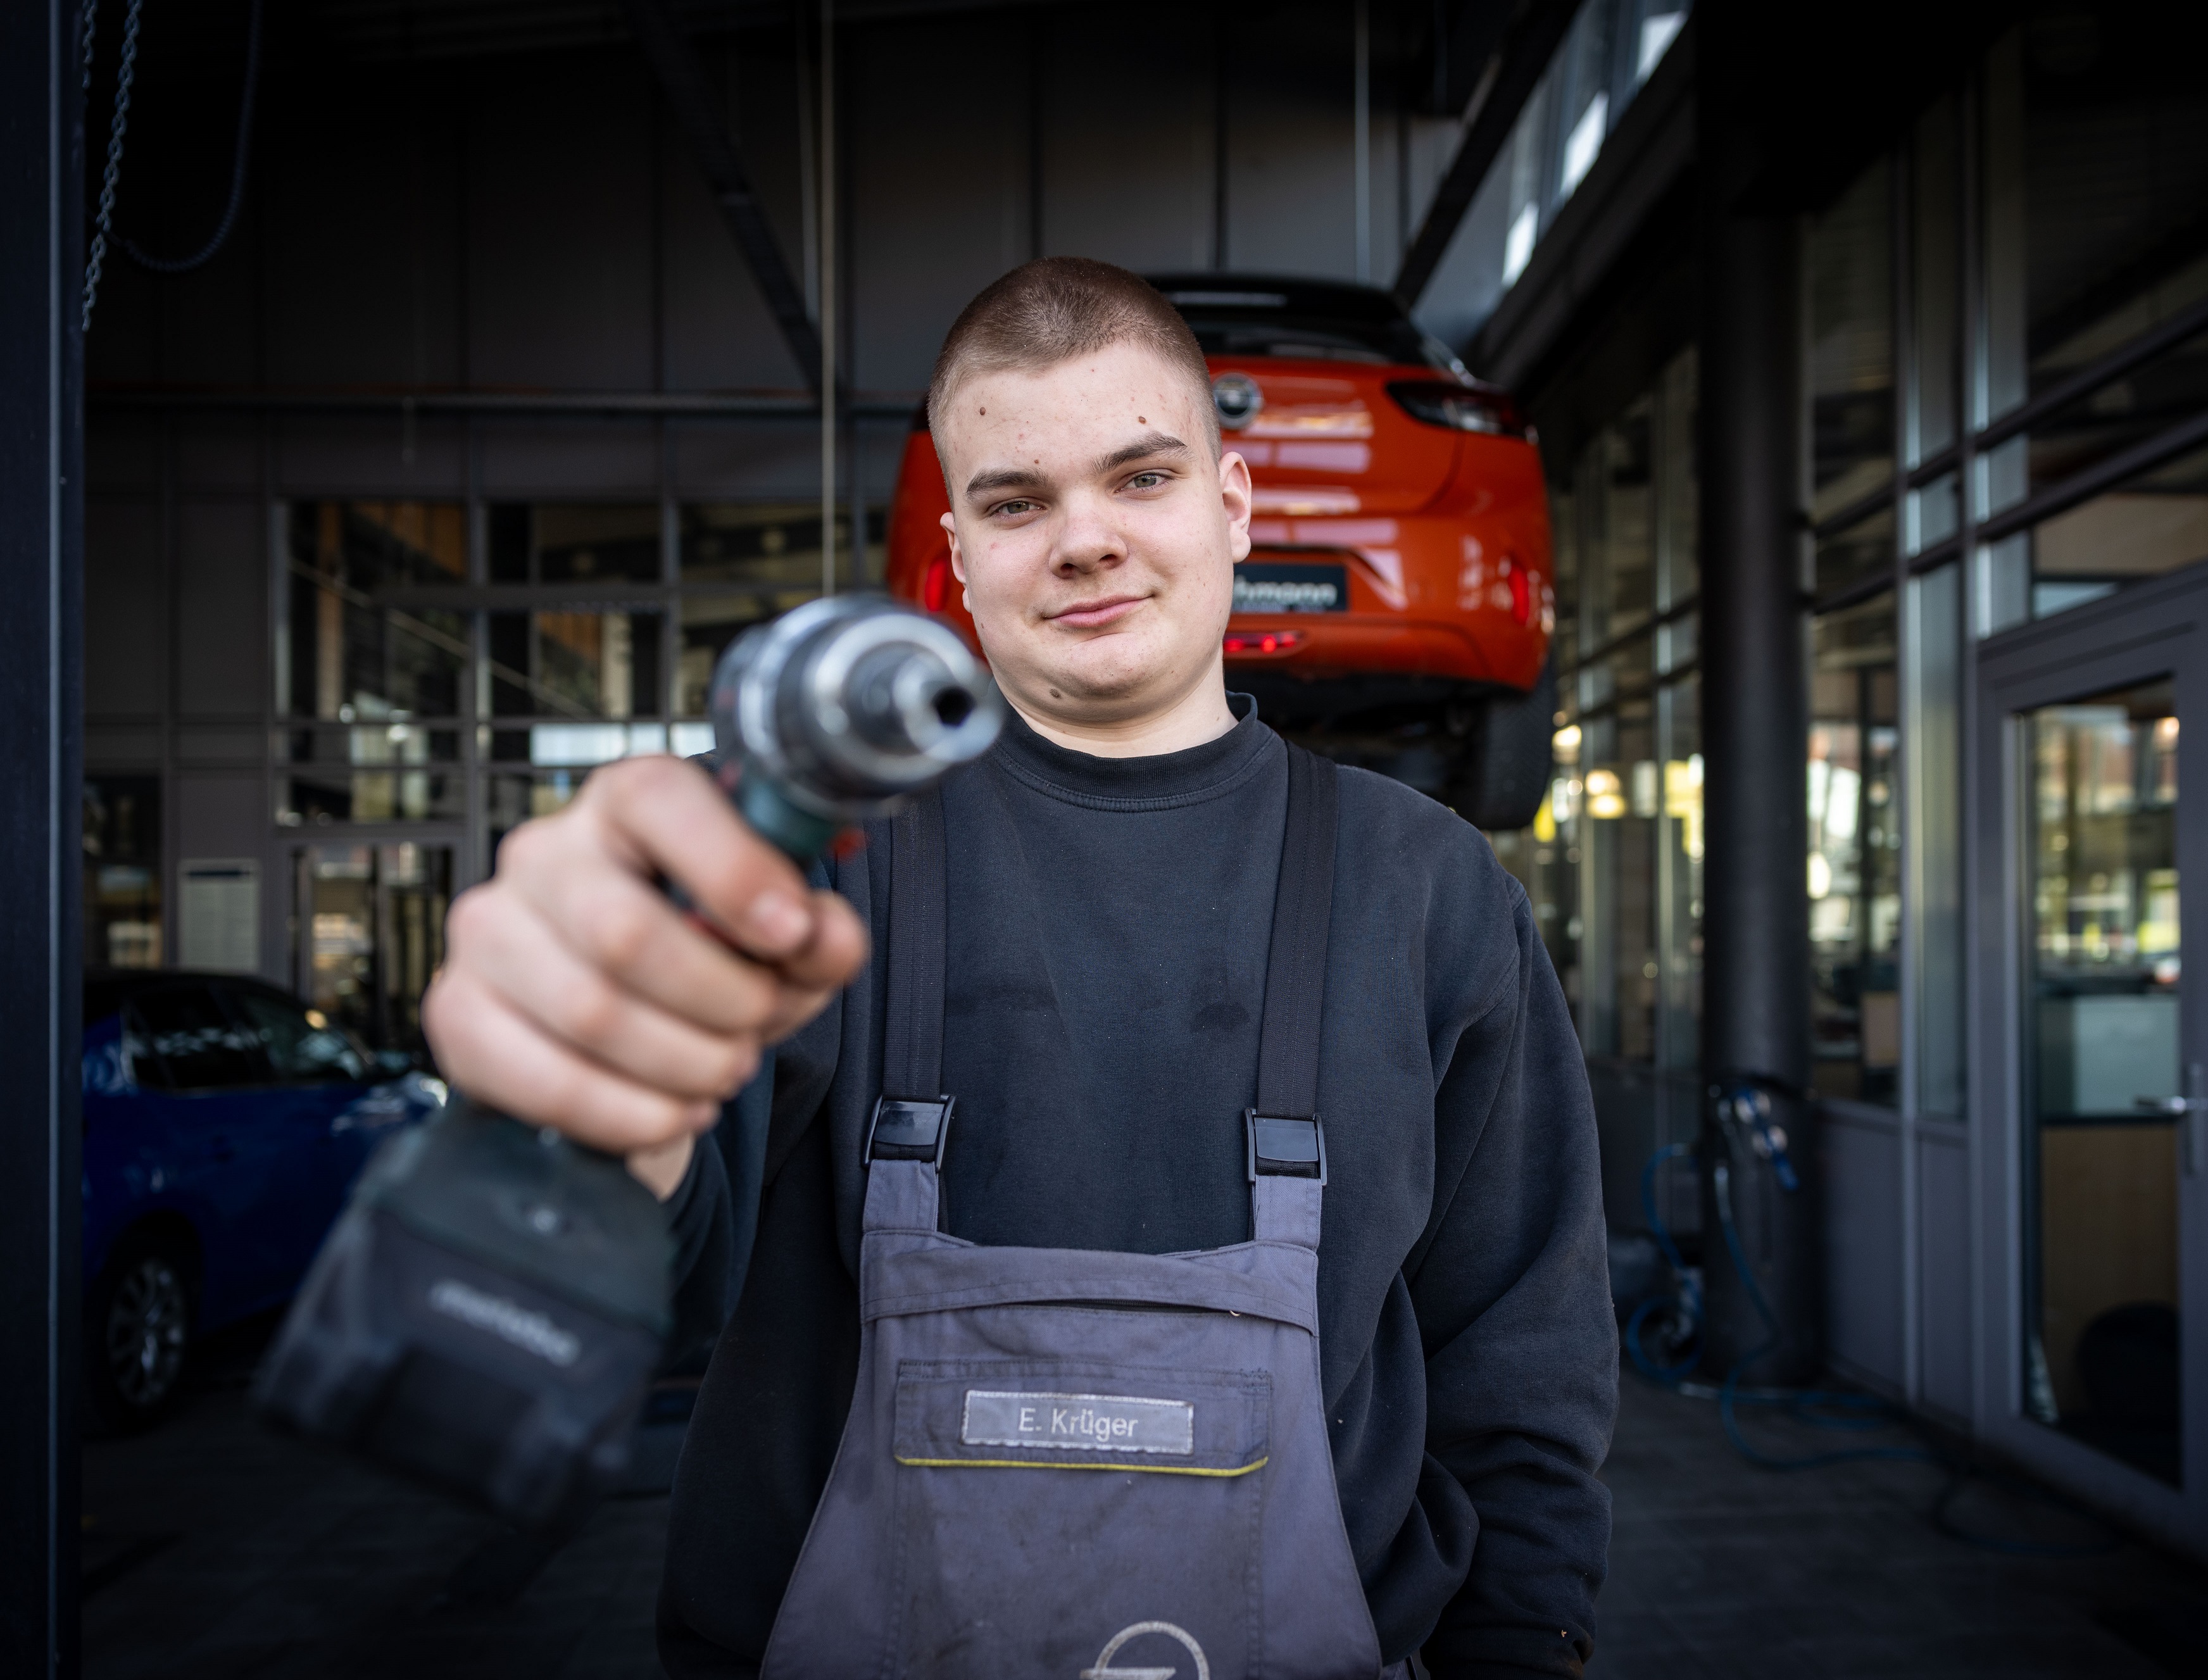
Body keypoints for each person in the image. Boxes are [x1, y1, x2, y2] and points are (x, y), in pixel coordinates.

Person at [423, 257, 1615, 1679]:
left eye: (1141, 477)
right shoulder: (791, 855)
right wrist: (595, 1103)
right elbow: (642, 1291)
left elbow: (1520, 1361)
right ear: (957, 553)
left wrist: (1528, 1651)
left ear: (1231, 503)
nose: (1086, 540)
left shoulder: (1429, 892)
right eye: (1017, 500)